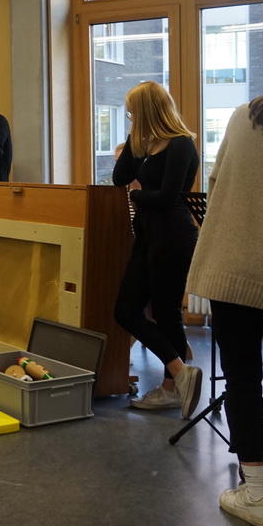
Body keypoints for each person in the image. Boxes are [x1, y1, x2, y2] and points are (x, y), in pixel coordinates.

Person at [186, 40, 263, 526]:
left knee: (241, 377)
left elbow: (217, 183)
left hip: (233, 266)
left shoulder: (244, 117)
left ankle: (256, 493)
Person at [112, 81, 203, 418]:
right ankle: (181, 374)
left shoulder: (181, 144)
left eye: (133, 112)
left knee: (166, 314)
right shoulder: (146, 145)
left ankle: (170, 390)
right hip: (148, 235)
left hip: (173, 236)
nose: (130, 116)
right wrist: (135, 140)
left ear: (147, 110)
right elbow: (119, 177)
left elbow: (167, 198)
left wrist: (136, 195)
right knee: (126, 311)